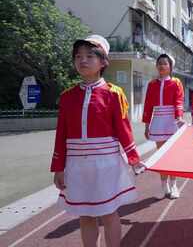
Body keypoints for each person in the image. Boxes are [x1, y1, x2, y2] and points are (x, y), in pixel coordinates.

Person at [51, 35, 142, 247]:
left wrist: (133, 158)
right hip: (76, 165)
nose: (82, 60)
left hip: (106, 164)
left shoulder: (113, 94)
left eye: (90, 56)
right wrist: (58, 167)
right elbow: (61, 135)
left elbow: (123, 129)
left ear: (103, 62)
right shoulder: (67, 97)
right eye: (78, 56)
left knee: (109, 212)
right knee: (85, 215)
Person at [142, 54, 184, 199]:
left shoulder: (176, 82)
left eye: (165, 63)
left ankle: (174, 185)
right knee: (160, 155)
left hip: (171, 120)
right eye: (159, 63)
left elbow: (179, 101)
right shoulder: (152, 84)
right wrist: (147, 126)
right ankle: (163, 185)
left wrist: (179, 117)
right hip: (158, 121)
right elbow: (148, 105)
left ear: (170, 67)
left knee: (172, 155)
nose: (161, 66)